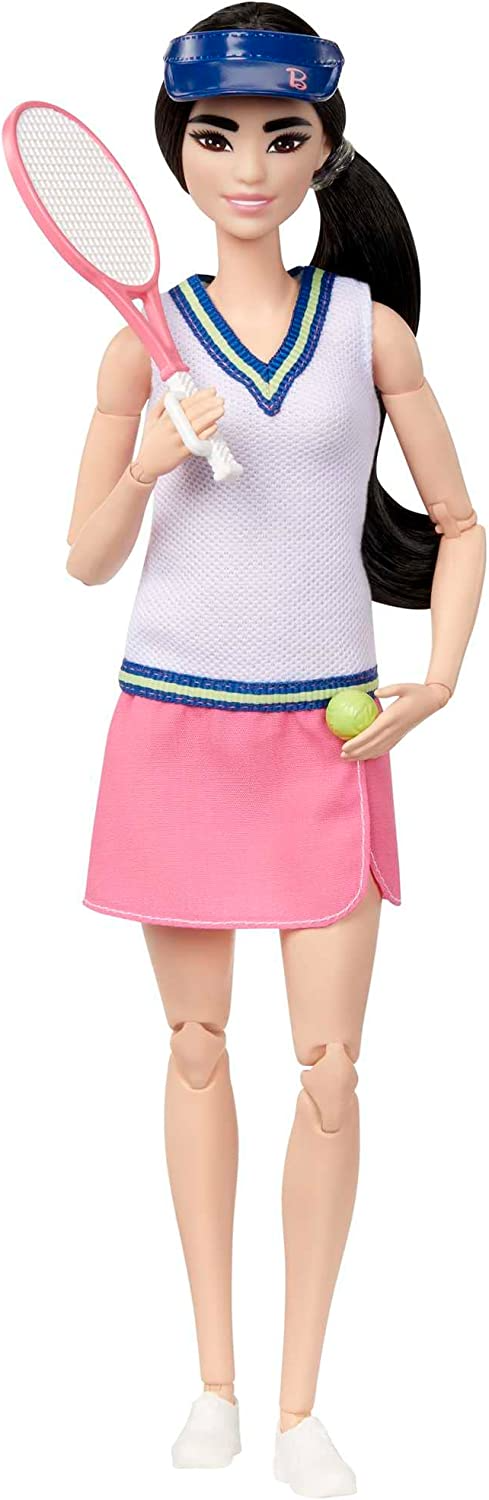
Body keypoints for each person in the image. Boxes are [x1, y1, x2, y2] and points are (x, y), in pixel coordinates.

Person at [65, 5, 486, 1495]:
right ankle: (216, 1385)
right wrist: (148, 459)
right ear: (179, 153)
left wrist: (440, 679)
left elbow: (458, 524)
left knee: (329, 1068)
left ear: (323, 153)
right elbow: (83, 556)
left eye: (282, 136)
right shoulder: (144, 342)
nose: (249, 165)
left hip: (327, 734)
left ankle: (304, 1403)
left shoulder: (370, 331)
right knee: (194, 1051)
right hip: (177, 729)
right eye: (218, 135)